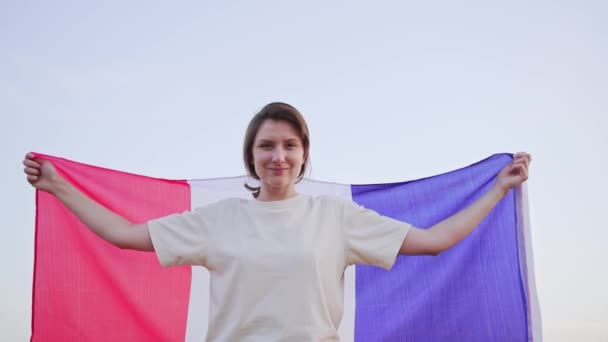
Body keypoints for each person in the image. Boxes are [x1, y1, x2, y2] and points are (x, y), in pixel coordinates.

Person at [23, 102, 531, 341]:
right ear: (252, 155)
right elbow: (123, 235)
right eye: (267, 145)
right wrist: (57, 187)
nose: (278, 156)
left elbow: (436, 240)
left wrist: (498, 189)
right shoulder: (217, 219)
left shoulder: (335, 217)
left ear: (304, 154)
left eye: (290, 145)